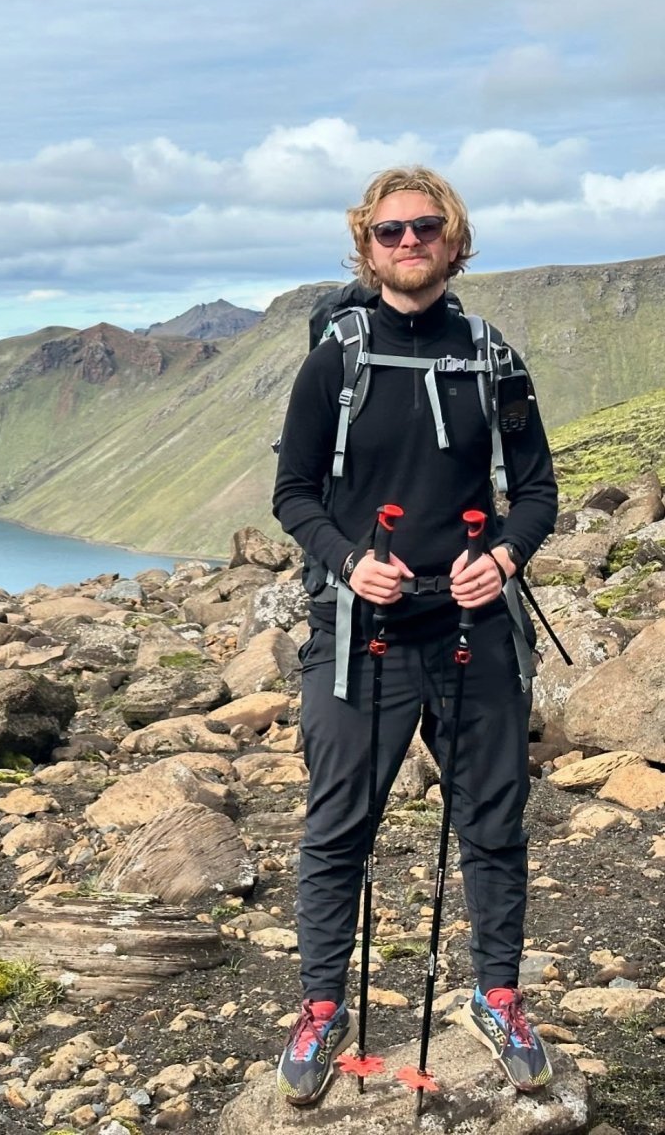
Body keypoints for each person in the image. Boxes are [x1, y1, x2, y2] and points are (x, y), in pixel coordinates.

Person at [272, 166, 558, 1105]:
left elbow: (539, 490)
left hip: (473, 623)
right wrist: (349, 562)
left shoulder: (492, 356)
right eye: (389, 232)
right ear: (367, 246)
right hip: (360, 629)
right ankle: (320, 1010)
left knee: (493, 822)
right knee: (338, 826)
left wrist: (506, 558)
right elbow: (294, 493)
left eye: (425, 228)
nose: (408, 243)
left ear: (454, 239)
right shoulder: (336, 359)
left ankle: (500, 994)